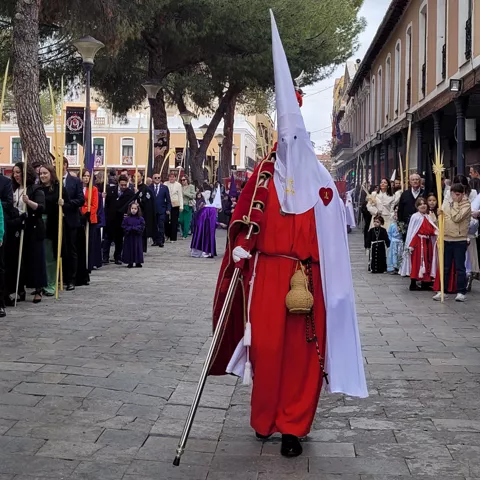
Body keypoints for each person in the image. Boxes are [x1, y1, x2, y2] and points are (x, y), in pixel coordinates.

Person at [208, 14, 367, 458]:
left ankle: (294, 426)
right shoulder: (260, 176)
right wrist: (240, 247)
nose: (287, 142)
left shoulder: (321, 183)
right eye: (283, 134)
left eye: (294, 134)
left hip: (308, 280)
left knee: (301, 357)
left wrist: (333, 287)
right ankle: (265, 419)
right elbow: (242, 220)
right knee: (268, 352)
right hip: (269, 276)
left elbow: (336, 234)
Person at [12, 162, 47, 304]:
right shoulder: (13, 189)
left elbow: (41, 208)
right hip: (18, 228)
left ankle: (38, 290)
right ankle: (20, 289)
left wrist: (29, 202)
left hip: (33, 228)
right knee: (19, 260)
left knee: (35, 259)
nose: (16, 176)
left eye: (18, 172)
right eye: (14, 173)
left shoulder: (35, 189)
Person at [433, 183, 471, 302]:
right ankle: (442, 290)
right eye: (453, 194)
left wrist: (455, 203)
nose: (455, 196)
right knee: (445, 266)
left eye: (458, 194)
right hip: (446, 237)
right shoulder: (446, 201)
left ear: (463, 194)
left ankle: (461, 291)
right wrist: (439, 213)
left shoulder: (466, 205)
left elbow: (456, 217)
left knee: (460, 267)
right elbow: (442, 216)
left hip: (459, 239)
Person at [38, 165, 68, 296]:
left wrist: (62, 203)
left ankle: (51, 283)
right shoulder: (37, 188)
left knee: (50, 256)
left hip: (51, 225)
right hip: (38, 225)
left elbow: (68, 205)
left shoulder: (58, 188)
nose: (42, 176)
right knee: (40, 256)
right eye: (40, 174)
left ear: (51, 173)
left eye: (45, 173)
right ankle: (41, 283)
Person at [400, 197, 438, 291]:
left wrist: (436, 231)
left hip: (427, 243)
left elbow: (431, 229)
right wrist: (411, 245)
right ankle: (413, 283)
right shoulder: (415, 217)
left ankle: (425, 282)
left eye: (424, 203)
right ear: (417, 206)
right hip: (418, 243)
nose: (423, 205)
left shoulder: (428, 216)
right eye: (420, 204)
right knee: (418, 262)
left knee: (427, 261)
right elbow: (412, 232)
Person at [62, 158, 85, 291]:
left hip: (71, 219)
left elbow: (80, 200)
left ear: (65, 165)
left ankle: (72, 279)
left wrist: (66, 205)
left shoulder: (75, 181)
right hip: (58, 219)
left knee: (71, 249)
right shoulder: (55, 181)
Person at [104, 175, 134, 264]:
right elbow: (107, 204)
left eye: (125, 185)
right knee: (107, 238)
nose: (123, 187)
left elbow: (131, 206)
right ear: (118, 183)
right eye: (122, 185)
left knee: (119, 239)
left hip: (121, 219)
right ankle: (105, 257)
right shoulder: (110, 191)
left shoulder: (130, 193)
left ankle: (117, 256)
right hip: (111, 218)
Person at [77, 170, 99, 286]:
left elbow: (94, 205)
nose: (86, 178)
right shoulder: (78, 188)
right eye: (84, 176)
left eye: (88, 176)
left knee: (89, 243)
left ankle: (88, 265)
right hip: (78, 218)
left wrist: (85, 211)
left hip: (90, 218)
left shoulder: (94, 189)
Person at [397, 173, 426, 238]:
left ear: (420, 181)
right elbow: (400, 210)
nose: (415, 181)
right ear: (410, 182)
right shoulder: (404, 194)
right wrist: (401, 225)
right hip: (407, 225)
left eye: (417, 179)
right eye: (413, 180)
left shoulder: (424, 193)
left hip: (421, 225)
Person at [134, 171, 156, 252]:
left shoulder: (145, 189)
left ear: (142, 177)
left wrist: (138, 195)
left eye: (138, 176)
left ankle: (142, 247)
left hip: (141, 213)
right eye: (134, 176)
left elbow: (146, 201)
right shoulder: (131, 186)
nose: (136, 178)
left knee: (142, 231)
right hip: (132, 213)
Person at [150, 173, 171, 248]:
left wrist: (168, 208)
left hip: (162, 209)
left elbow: (168, 199)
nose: (157, 179)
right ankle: (155, 240)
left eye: (158, 178)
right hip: (152, 210)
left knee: (161, 226)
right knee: (154, 226)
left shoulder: (164, 188)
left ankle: (161, 241)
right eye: (155, 178)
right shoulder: (149, 187)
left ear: (160, 178)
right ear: (153, 179)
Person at [122, 203, 145, 268]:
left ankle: (138, 262)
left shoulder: (140, 218)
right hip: (129, 236)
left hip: (137, 236)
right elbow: (123, 226)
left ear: (138, 209)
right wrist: (130, 229)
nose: (133, 210)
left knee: (138, 248)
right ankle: (130, 262)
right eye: (132, 208)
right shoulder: (126, 218)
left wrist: (136, 229)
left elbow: (142, 226)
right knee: (129, 249)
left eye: (135, 209)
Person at [165, 172, 183, 242]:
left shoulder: (178, 185)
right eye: (170, 177)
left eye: (173, 177)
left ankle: (173, 237)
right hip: (167, 204)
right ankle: (167, 235)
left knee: (174, 221)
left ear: (175, 178)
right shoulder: (165, 184)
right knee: (166, 221)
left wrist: (181, 206)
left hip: (175, 204)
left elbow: (180, 195)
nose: (171, 178)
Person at [387, 206, 404, 274]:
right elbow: (389, 233)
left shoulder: (402, 223)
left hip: (400, 241)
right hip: (394, 241)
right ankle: (393, 267)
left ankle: (399, 267)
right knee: (393, 254)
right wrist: (391, 240)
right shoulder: (392, 225)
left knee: (400, 254)